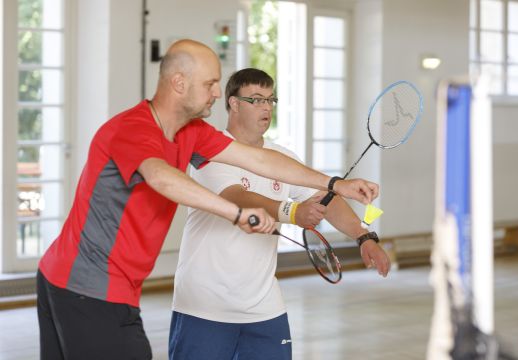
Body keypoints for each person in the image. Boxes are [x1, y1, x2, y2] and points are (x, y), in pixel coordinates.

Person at [36, 40, 378, 360]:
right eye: (210, 84)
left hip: (99, 284)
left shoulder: (192, 133)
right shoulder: (133, 127)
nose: (217, 93)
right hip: (86, 284)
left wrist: (335, 183)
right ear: (179, 83)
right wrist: (236, 213)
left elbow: (261, 161)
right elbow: (161, 177)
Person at [169, 68, 391, 360]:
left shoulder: (283, 158)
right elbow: (237, 198)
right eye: (257, 99)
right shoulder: (208, 148)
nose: (266, 107)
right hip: (204, 305)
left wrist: (364, 237)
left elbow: (325, 198)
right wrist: (293, 212)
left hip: (264, 308)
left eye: (270, 100)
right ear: (234, 103)